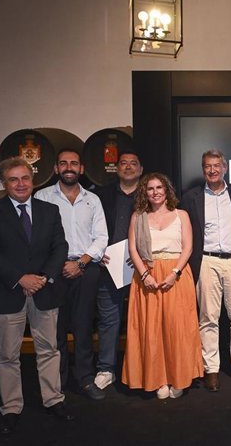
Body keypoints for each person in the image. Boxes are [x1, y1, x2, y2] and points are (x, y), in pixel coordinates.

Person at [0, 157, 73, 435]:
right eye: (13, 179)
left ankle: (53, 400)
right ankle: (11, 407)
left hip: (45, 291)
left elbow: (60, 247)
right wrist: (20, 278)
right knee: (7, 355)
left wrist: (42, 279)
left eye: (25, 178)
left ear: (33, 180)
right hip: (8, 293)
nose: (21, 184)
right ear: (4, 183)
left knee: (49, 350)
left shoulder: (49, 210)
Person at [35, 149, 108, 400]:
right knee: (55, 330)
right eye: (64, 163)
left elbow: (101, 237)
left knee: (83, 326)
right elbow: (38, 240)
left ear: (82, 168)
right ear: (56, 168)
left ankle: (85, 379)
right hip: (53, 272)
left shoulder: (93, 200)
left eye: (74, 163)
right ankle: (58, 381)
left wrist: (83, 263)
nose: (69, 167)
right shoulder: (42, 197)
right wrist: (58, 265)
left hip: (85, 270)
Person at [122, 173, 203, 398]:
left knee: (177, 329)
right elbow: (133, 249)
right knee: (152, 329)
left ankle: (179, 377)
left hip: (176, 275)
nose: (155, 192)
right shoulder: (138, 217)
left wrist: (174, 273)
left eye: (159, 187)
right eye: (150, 188)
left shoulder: (181, 215)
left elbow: (188, 247)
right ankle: (157, 379)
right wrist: (145, 274)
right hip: (147, 277)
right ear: (144, 193)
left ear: (167, 190)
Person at [182, 149, 231, 392]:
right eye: (207, 166)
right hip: (207, 261)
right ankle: (211, 368)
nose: (212, 170)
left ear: (224, 168)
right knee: (208, 318)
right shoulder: (191, 197)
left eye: (216, 166)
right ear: (203, 170)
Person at [90, 151, 143, 391]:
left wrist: (143, 256)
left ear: (140, 169)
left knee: (142, 321)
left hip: (141, 268)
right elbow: (88, 228)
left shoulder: (150, 193)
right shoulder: (100, 195)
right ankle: (106, 368)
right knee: (108, 320)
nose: (128, 167)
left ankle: (143, 367)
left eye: (133, 164)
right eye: (124, 163)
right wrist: (96, 254)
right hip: (108, 267)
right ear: (117, 168)